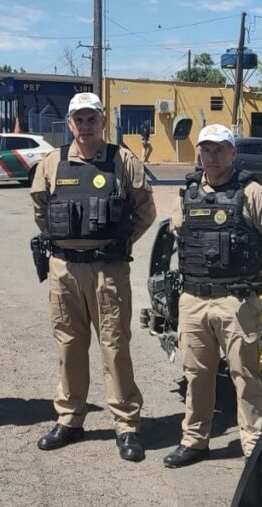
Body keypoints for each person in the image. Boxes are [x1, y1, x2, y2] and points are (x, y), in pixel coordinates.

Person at [30, 92, 156, 462]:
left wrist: (117, 242)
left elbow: (144, 211)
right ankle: (70, 419)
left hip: (108, 270)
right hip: (64, 269)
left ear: (102, 121)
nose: (85, 126)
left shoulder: (123, 161)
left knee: (114, 346)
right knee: (69, 345)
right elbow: (40, 208)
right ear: (69, 123)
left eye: (92, 119)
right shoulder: (52, 162)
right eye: (79, 119)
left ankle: (127, 424)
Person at [164, 124, 262, 468]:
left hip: (236, 301)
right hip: (193, 299)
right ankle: (195, 440)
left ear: (233, 153)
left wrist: (249, 280)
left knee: (245, 375)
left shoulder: (252, 193)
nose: (212, 156)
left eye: (219, 149)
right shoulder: (187, 193)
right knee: (196, 374)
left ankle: (253, 444)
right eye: (206, 149)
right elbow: (179, 236)